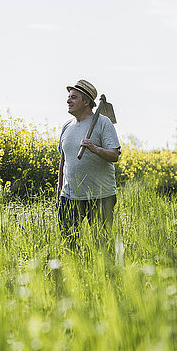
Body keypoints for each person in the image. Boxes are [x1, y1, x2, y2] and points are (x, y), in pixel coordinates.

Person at [57, 79, 121, 248]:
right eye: (69, 97)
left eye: (74, 97)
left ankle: (105, 274)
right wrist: (59, 193)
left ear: (86, 102)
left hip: (100, 195)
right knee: (67, 242)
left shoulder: (103, 123)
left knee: (102, 244)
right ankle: (77, 271)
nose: (68, 100)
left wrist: (94, 148)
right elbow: (63, 162)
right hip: (70, 196)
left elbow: (114, 155)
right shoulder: (66, 127)